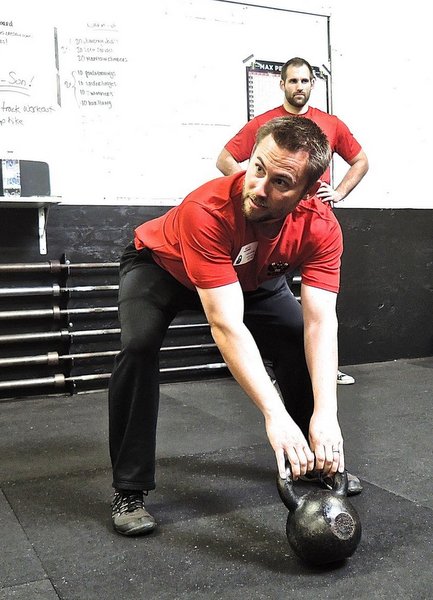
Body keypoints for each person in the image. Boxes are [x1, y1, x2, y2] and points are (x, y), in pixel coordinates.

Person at [108, 116, 362, 537]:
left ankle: (316, 460)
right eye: (257, 168)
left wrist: (327, 414)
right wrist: (274, 415)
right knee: (138, 346)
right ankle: (128, 488)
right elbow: (226, 325)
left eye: (281, 182)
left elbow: (320, 323)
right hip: (161, 268)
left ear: (306, 193)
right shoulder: (206, 210)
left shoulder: (321, 228)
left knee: (295, 337)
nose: (259, 188)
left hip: (252, 276)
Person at [216, 56, 369, 386]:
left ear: (313, 85)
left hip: (315, 228)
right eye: (293, 81)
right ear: (282, 84)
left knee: (322, 308)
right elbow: (225, 158)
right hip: (273, 225)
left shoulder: (330, 124)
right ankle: (266, 370)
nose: (299, 86)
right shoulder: (266, 124)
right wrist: (256, 189)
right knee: (264, 298)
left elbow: (360, 160)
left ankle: (323, 369)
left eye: (305, 81)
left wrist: (339, 193)